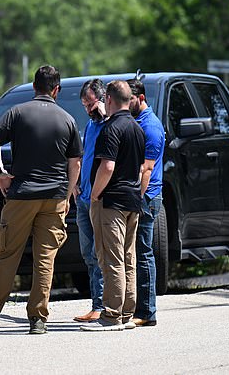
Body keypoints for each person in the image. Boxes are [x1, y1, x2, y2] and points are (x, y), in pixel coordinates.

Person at [0, 65, 82, 335]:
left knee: (8, 256)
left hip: (21, 195)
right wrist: (67, 195)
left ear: (34, 87)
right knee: (45, 259)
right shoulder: (67, 119)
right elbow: (75, 164)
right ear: (56, 90)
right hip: (54, 197)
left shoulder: (17, 113)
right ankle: (38, 319)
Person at [80, 80, 145, 332]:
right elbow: (140, 169)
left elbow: (107, 167)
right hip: (131, 200)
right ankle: (127, 313)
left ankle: (111, 315)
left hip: (112, 202)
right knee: (128, 258)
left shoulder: (111, 128)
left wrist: (95, 194)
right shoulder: (137, 128)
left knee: (110, 258)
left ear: (108, 99)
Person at [127, 78, 165, 327]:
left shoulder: (150, 126)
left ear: (140, 98)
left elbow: (147, 170)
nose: (124, 104)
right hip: (137, 196)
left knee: (144, 254)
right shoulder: (135, 121)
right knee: (136, 253)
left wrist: (136, 199)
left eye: (128, 99)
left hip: (146, 197)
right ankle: (136, 308)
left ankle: (147, 312)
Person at [73, 78, 107, 323]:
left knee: (101, 253)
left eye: (91, 104)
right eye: (84, 105)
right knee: (88, 253)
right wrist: (75, 186)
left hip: (100, 200)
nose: (88, 110)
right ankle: (96, 303)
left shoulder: (110, 124)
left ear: (103, 100)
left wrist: (107, 116)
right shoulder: (91, 126)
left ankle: (103, 305)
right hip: (83, 198)